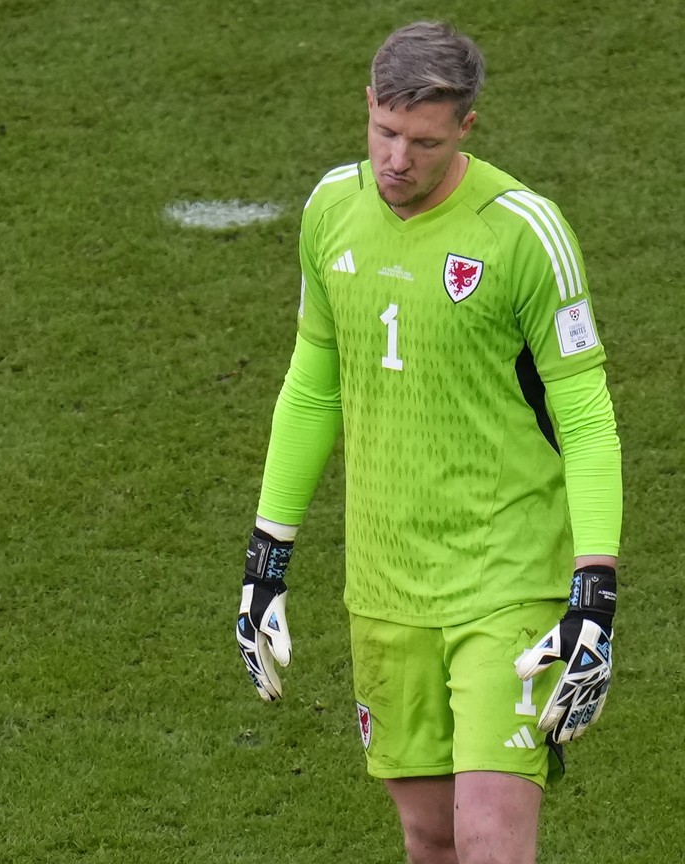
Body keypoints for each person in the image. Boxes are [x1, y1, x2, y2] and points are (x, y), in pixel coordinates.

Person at [234, 21, 621, 864]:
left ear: (467, 130)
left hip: (507, 577)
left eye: (425, 142)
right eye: (386, 133)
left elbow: (586, 412)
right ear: (367, 106)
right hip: (386, 585)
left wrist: (594, 587)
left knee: (489, 839)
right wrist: (268, 557)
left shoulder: (524, 233)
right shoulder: (330, 210)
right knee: (430, 838)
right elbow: (313, 383)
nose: (399, 160)